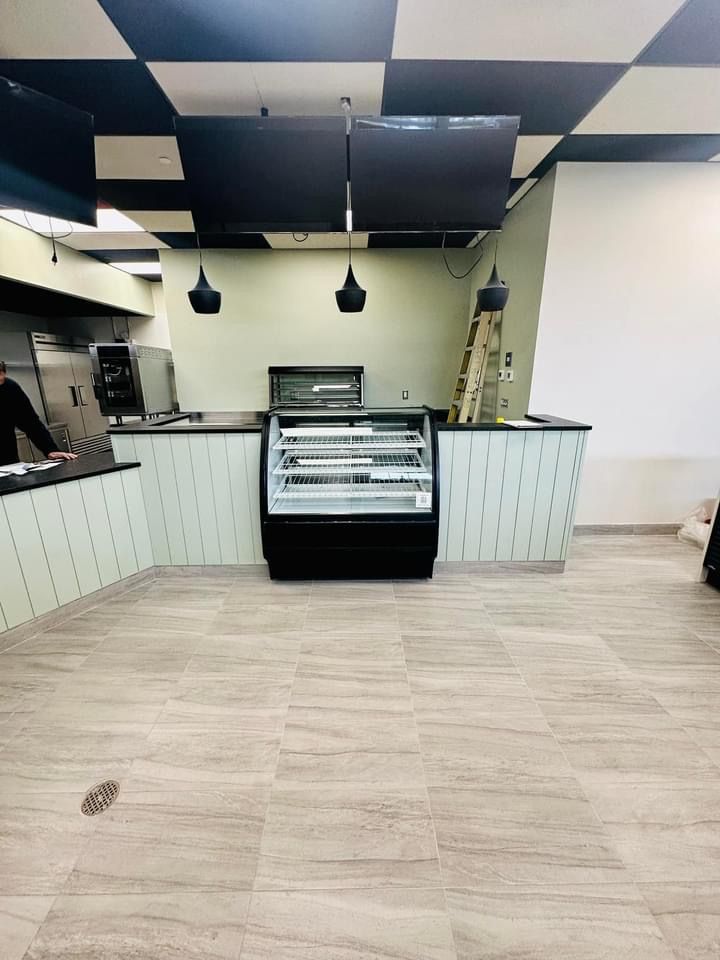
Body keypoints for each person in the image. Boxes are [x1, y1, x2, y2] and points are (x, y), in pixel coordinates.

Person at [0, 360, 78, 467]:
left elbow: (30, 422)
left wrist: (50, 449)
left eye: (1, 380)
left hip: (7, 462)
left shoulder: (10, 388)